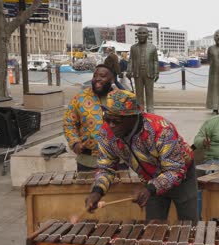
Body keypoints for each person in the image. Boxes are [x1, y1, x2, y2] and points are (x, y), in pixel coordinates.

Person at [84, 89, 198, 223]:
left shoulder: (161, 129)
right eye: (107, 119)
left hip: (181, 176)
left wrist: (150, 188)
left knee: (189, 226)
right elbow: (105, 168)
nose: (111, 125)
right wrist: (97, 191)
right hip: (150, 180)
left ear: (133, 117)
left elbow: (175, 170)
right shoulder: (106, 132)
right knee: (153, 227)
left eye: (116, 121)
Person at [63, 64, 116, 171]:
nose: (97, 79)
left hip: (117, 161)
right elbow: (69, 123)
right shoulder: (79, 98)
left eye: (102, 76)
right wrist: (75, 142)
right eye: (95, 76)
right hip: (87, 161)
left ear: (112, 79)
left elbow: (133, 124)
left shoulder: (121, 98)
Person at [127, 27, 159, 113]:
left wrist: (156, 72)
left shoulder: (152, 47)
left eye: (144, 33)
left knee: (149, 93)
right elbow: (131, 60)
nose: (141, 35)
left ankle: (150, 110)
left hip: (149, 73)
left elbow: (155, 61)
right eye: (139, 33)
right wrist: (129, 70)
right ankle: (140, 110)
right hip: (137, 73)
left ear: (147, 35)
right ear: (137, 35)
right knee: (139, 94)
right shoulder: (133, 48)